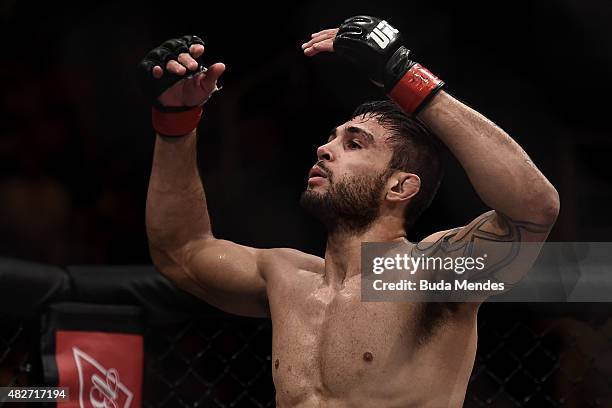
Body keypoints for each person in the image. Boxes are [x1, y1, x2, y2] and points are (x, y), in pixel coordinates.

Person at [140, 16, 559, 407]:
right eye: (331, 139)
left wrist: (403, 75)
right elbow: (181, 250)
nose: (324, 149)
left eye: (353, 144)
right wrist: (175, 122)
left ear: (399, 186)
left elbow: (533, 211)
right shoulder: (287, 278)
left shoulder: (429, 274)